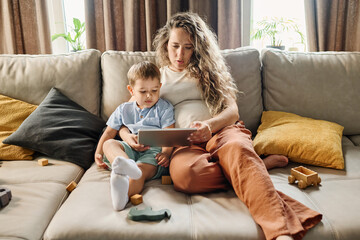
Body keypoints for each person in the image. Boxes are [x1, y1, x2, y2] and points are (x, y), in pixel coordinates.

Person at [120, 12, 322, 240]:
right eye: (175, 46)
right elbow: (125, 114)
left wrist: (209, 125)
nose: (180, 54)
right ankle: (254, 167)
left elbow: (232, 111)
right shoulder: (156, 77)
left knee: (237, 150)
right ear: (165, 45)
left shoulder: (210, 71)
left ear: (198, 48)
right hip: (184, 144)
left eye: (188, 47)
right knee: (186, 176)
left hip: (223, 131)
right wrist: (126, 134)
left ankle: (279, 231)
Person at [94, 61, 175, 211]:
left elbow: (168, 135)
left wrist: (166, 153)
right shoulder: (124, 109)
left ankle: (123, 198)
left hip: (153, 152)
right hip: (130, 149)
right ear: (131, 90)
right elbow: (109, 133)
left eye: (154, 90)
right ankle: (125, 164)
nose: (149, 96)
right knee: (109, 144)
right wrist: (98, 153)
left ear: (160, 87)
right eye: (143, 92)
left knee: (140, 171)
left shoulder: (164, 108)